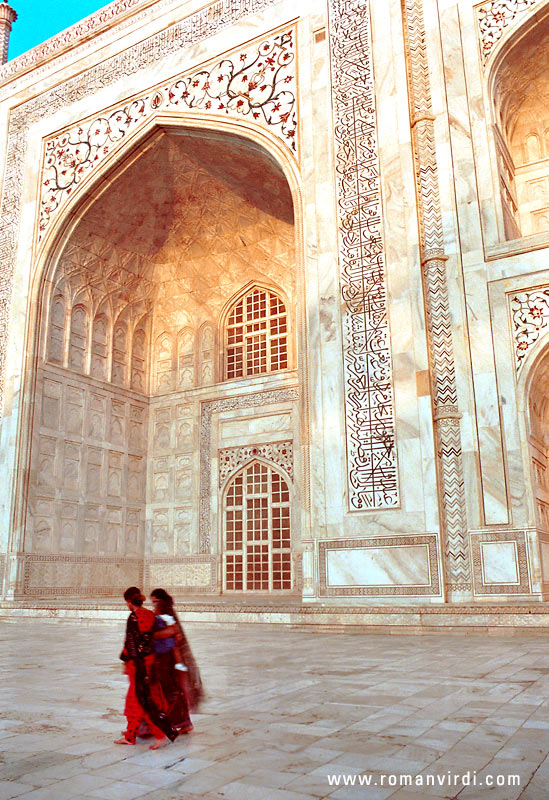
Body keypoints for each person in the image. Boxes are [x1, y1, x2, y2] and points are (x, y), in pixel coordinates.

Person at [114, 586, 178, 749]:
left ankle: (155, 734)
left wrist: (125, 661)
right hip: (152, 663)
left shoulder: (134, 617)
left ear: (129, 601)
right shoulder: (150, 615)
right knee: (153, 698)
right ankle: (145, 733)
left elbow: (130, 644)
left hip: (138, 666)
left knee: (138, 701)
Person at [151, 588, 204, 731]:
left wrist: (151, 636)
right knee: (169, 691)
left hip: (168, 660)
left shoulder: (166, 616)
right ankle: (179, 722)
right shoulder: (161, 615)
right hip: (164, 658)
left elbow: (174, 633)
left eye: (155, 602)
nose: (154, 605)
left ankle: (178, 722)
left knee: (170, 691)